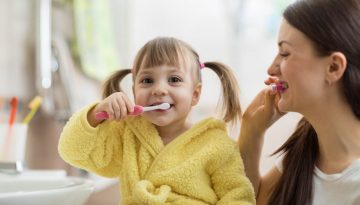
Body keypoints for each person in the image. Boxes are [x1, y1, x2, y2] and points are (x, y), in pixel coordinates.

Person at [58, 37, 255, 204]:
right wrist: (95, 114)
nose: (159, 89)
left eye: (174, 79)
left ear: (195, 94)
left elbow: (237, 196)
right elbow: (73, 152)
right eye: (147, 80)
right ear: (134, 92)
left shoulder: (216, 144)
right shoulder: (127, 134)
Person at [238, 0, 360, 204]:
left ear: (333, 67)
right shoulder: (302, 154)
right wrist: (251, 131)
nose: (271, 69)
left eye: (285, 53)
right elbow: (250, 200)